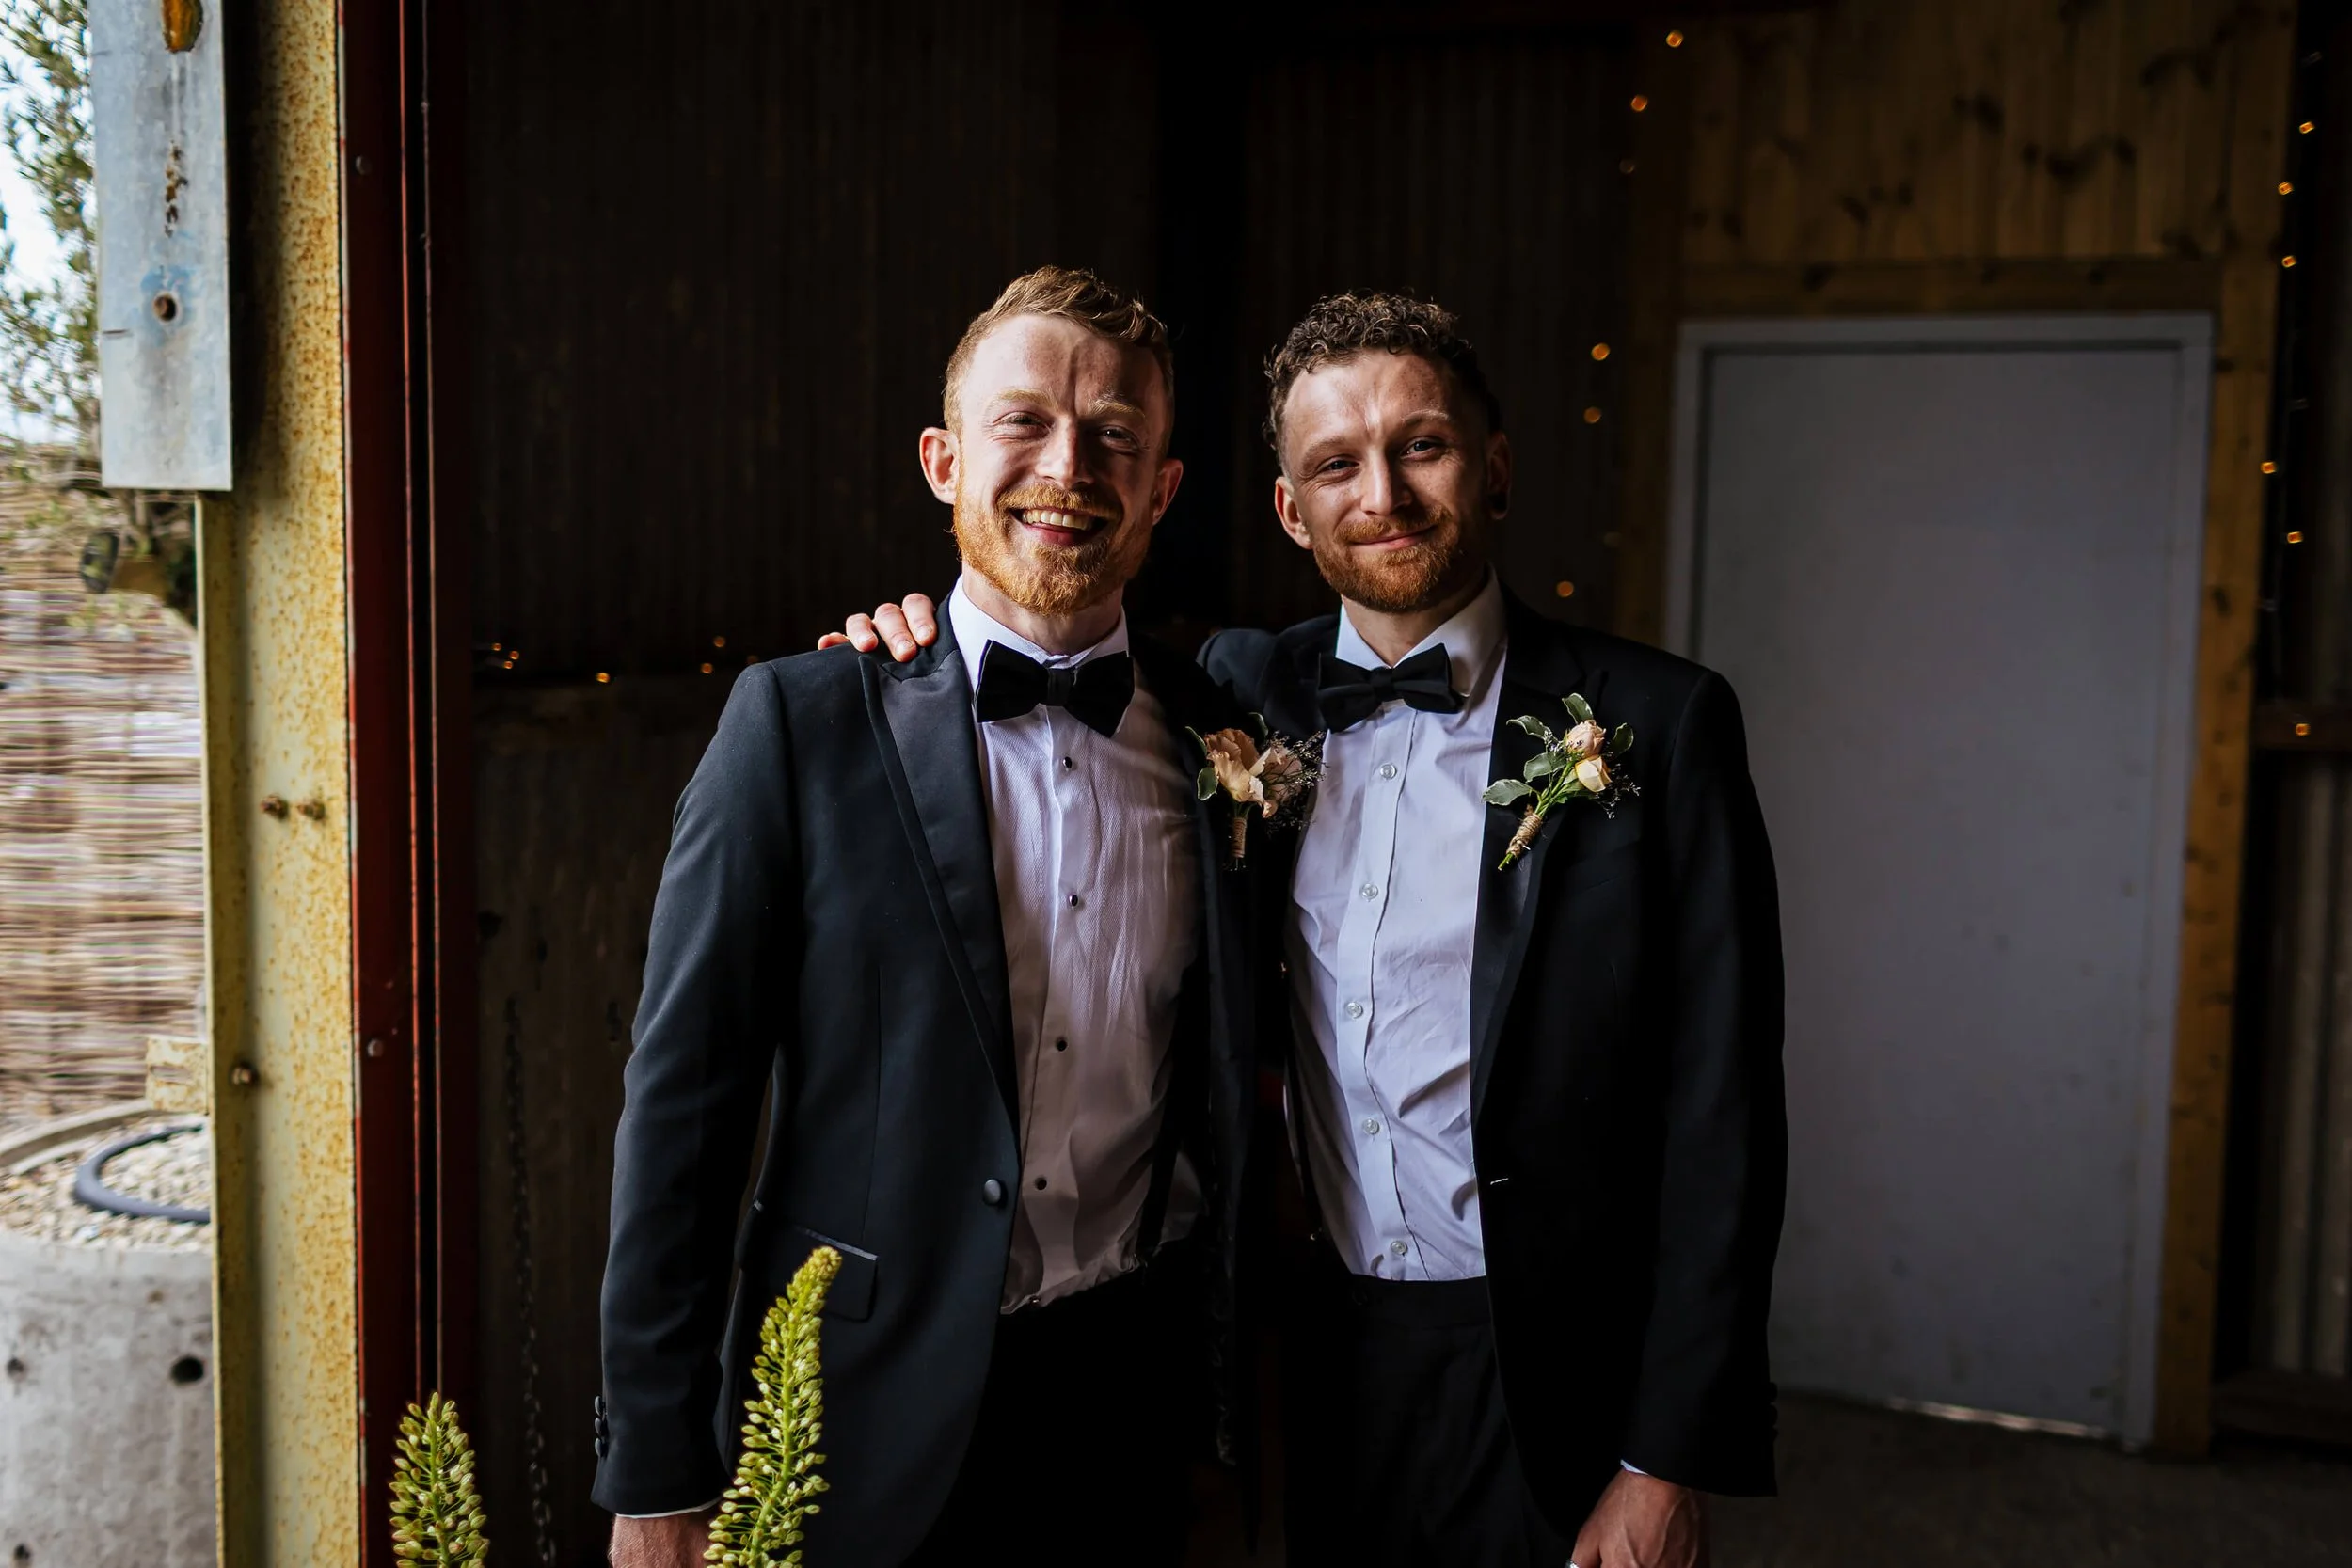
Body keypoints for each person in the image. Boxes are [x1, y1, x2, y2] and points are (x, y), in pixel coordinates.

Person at [834, 292, 1786, 1568]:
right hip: (1309, 1368)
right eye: (1337, 464)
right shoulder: (1226, 696)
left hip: (1559, 1371)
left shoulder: (1658, 725)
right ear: (1293, 509)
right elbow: (1024, 649)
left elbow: (1726, 1114)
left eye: (1422, 447)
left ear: (1496, 468)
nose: (1382, 495)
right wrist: (906, 651)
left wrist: (1665, 1456)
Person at [598, 266, 1259, 1568]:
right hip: (851, 1414)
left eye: (1115, 434)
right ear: (944, 461)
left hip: (1132, 1414)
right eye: (1025, 423)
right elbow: (682, 1118)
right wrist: (657, 1472)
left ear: (1163, 487)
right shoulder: (801, 724)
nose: (1069, 467)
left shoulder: (1223, 737)